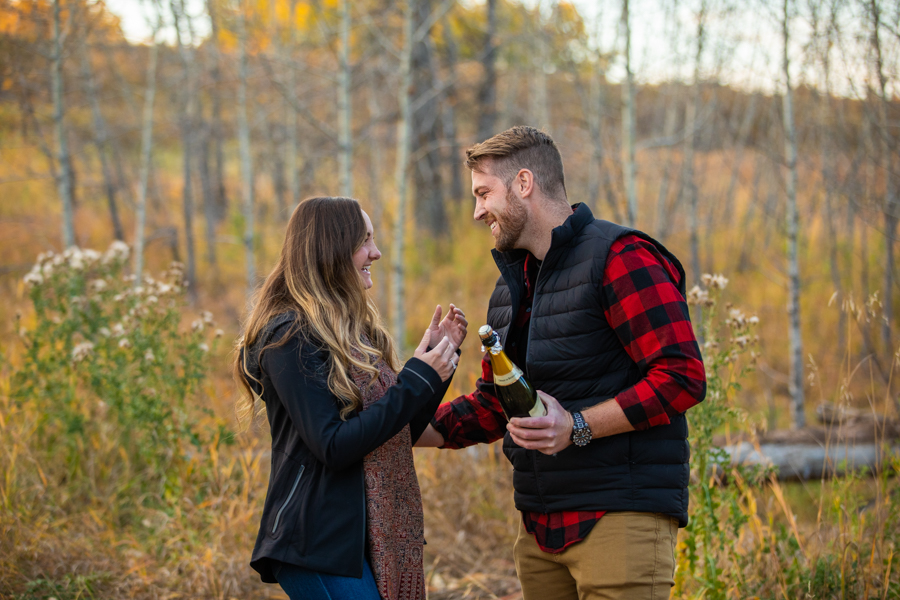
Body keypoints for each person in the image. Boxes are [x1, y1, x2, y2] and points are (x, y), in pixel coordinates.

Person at [415, 127, 707, 599]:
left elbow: (682, 377)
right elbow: (496, 405)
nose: (476, 212)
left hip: (619, 520)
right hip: (538, 529)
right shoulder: (511, 287)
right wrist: (399, 426)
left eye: (484, 193)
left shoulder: (620, 257)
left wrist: (577, 426)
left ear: (524, 183)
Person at [234, 196, 468, 600]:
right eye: (365, 241)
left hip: (362, 535)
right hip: (315, 543)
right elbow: (334, 445)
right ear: (331, 249)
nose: (376, 252)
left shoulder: (355, 333)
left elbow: (397, 431)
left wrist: (434, 368)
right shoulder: (288, 336)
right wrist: (416, 379)